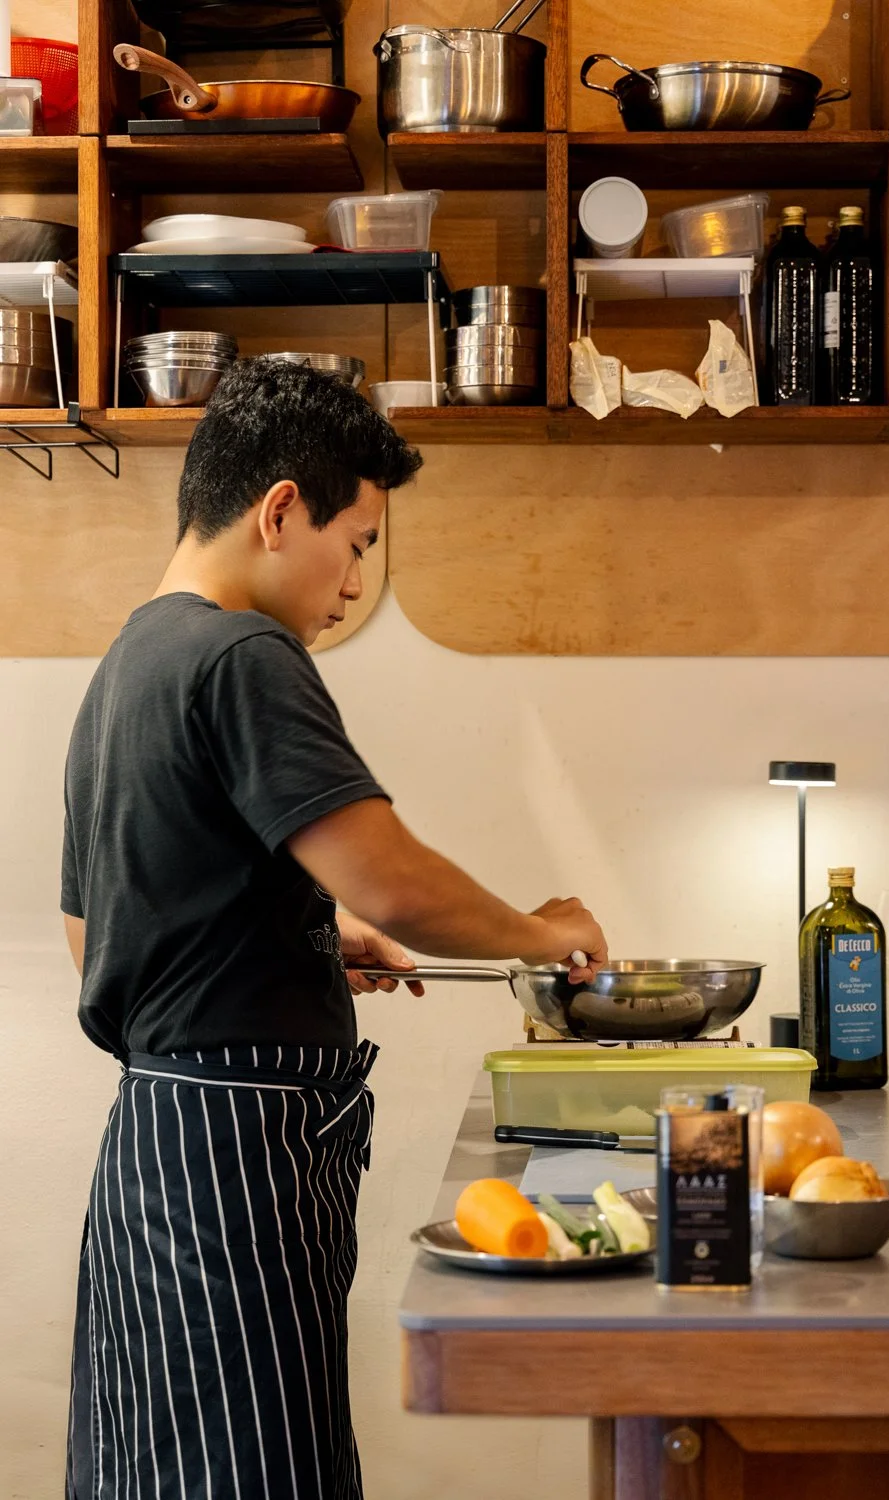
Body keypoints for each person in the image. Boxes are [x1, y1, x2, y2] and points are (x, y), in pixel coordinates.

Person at [61, 359, 608, 1500]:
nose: (356, 582)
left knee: (158, 1471)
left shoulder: (128, 664)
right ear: (277, 510)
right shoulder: (243, 654)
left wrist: (302, 935)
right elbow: (396, 880)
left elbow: (95, 934)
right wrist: (540, 933)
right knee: (256, 1475)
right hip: (236, 1170)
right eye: (358, 541)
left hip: (158, 1142)